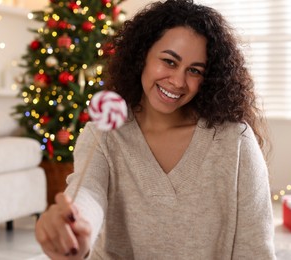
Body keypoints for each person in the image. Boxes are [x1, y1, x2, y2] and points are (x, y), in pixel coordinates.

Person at [35, 0, 276, 259]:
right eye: (169, 62)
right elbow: (87, 192)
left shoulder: (235, 140)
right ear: (142, 57)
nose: (178, 81)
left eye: (194, 71)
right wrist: (75, 225)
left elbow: (256, 249)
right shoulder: (103, 135)